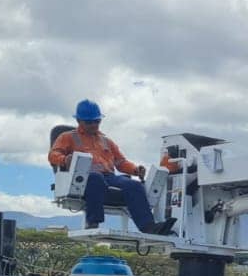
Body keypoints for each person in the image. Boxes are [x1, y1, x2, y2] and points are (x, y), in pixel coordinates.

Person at [47, 100, 175, 235]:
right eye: (89, 122)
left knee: (134, 186)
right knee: (95, 179)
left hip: (109, 177)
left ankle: (148, 227)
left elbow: (120, 162)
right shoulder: (67, 137)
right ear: (79, 121)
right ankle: (93, 222)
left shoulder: (106, 141)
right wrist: (64, 160)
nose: (93, 125)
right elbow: (53, 155)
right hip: (85, 178)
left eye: (96, 121)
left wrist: (135, 170)